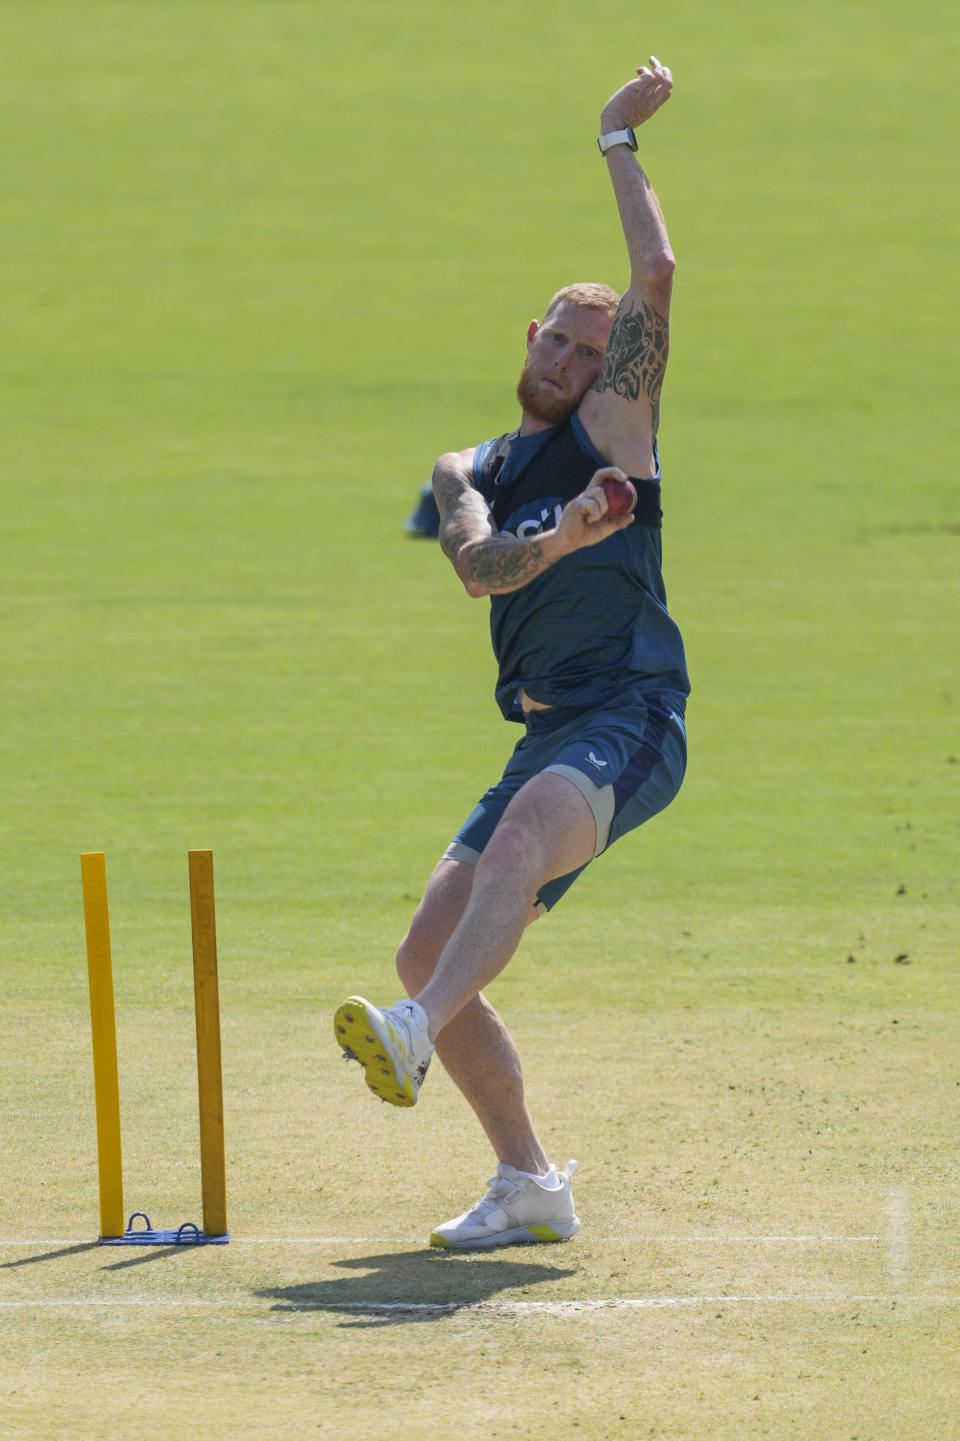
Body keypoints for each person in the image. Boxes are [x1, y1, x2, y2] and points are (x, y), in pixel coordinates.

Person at [334, 57, 690, 1249]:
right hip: (547, 721)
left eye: (598, 353)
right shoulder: (463, 470)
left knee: (528, 834)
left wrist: (614, 141)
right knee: (427, 942)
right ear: (530, 335)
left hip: (632, 714)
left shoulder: (619, 426)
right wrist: (565, 533)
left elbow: (657, 273)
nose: (578, 364)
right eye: (566, 343)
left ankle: (414, 1029)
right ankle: (531, 1182)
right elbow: (479, 566)